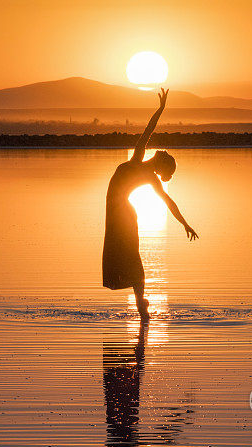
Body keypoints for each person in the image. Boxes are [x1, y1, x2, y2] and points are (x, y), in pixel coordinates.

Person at [102, 89, 198, 322]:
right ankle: (141, 301)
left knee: (133, 258)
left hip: (123, 212)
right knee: (125, 257)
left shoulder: (146, 172)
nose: (163, 150)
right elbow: (149, 129)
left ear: (161, 162)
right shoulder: (140, 161)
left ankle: (140, 303)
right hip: (118, 212)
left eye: (165, 155)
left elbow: (169, 202)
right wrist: (161, 108)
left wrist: (185, 223)